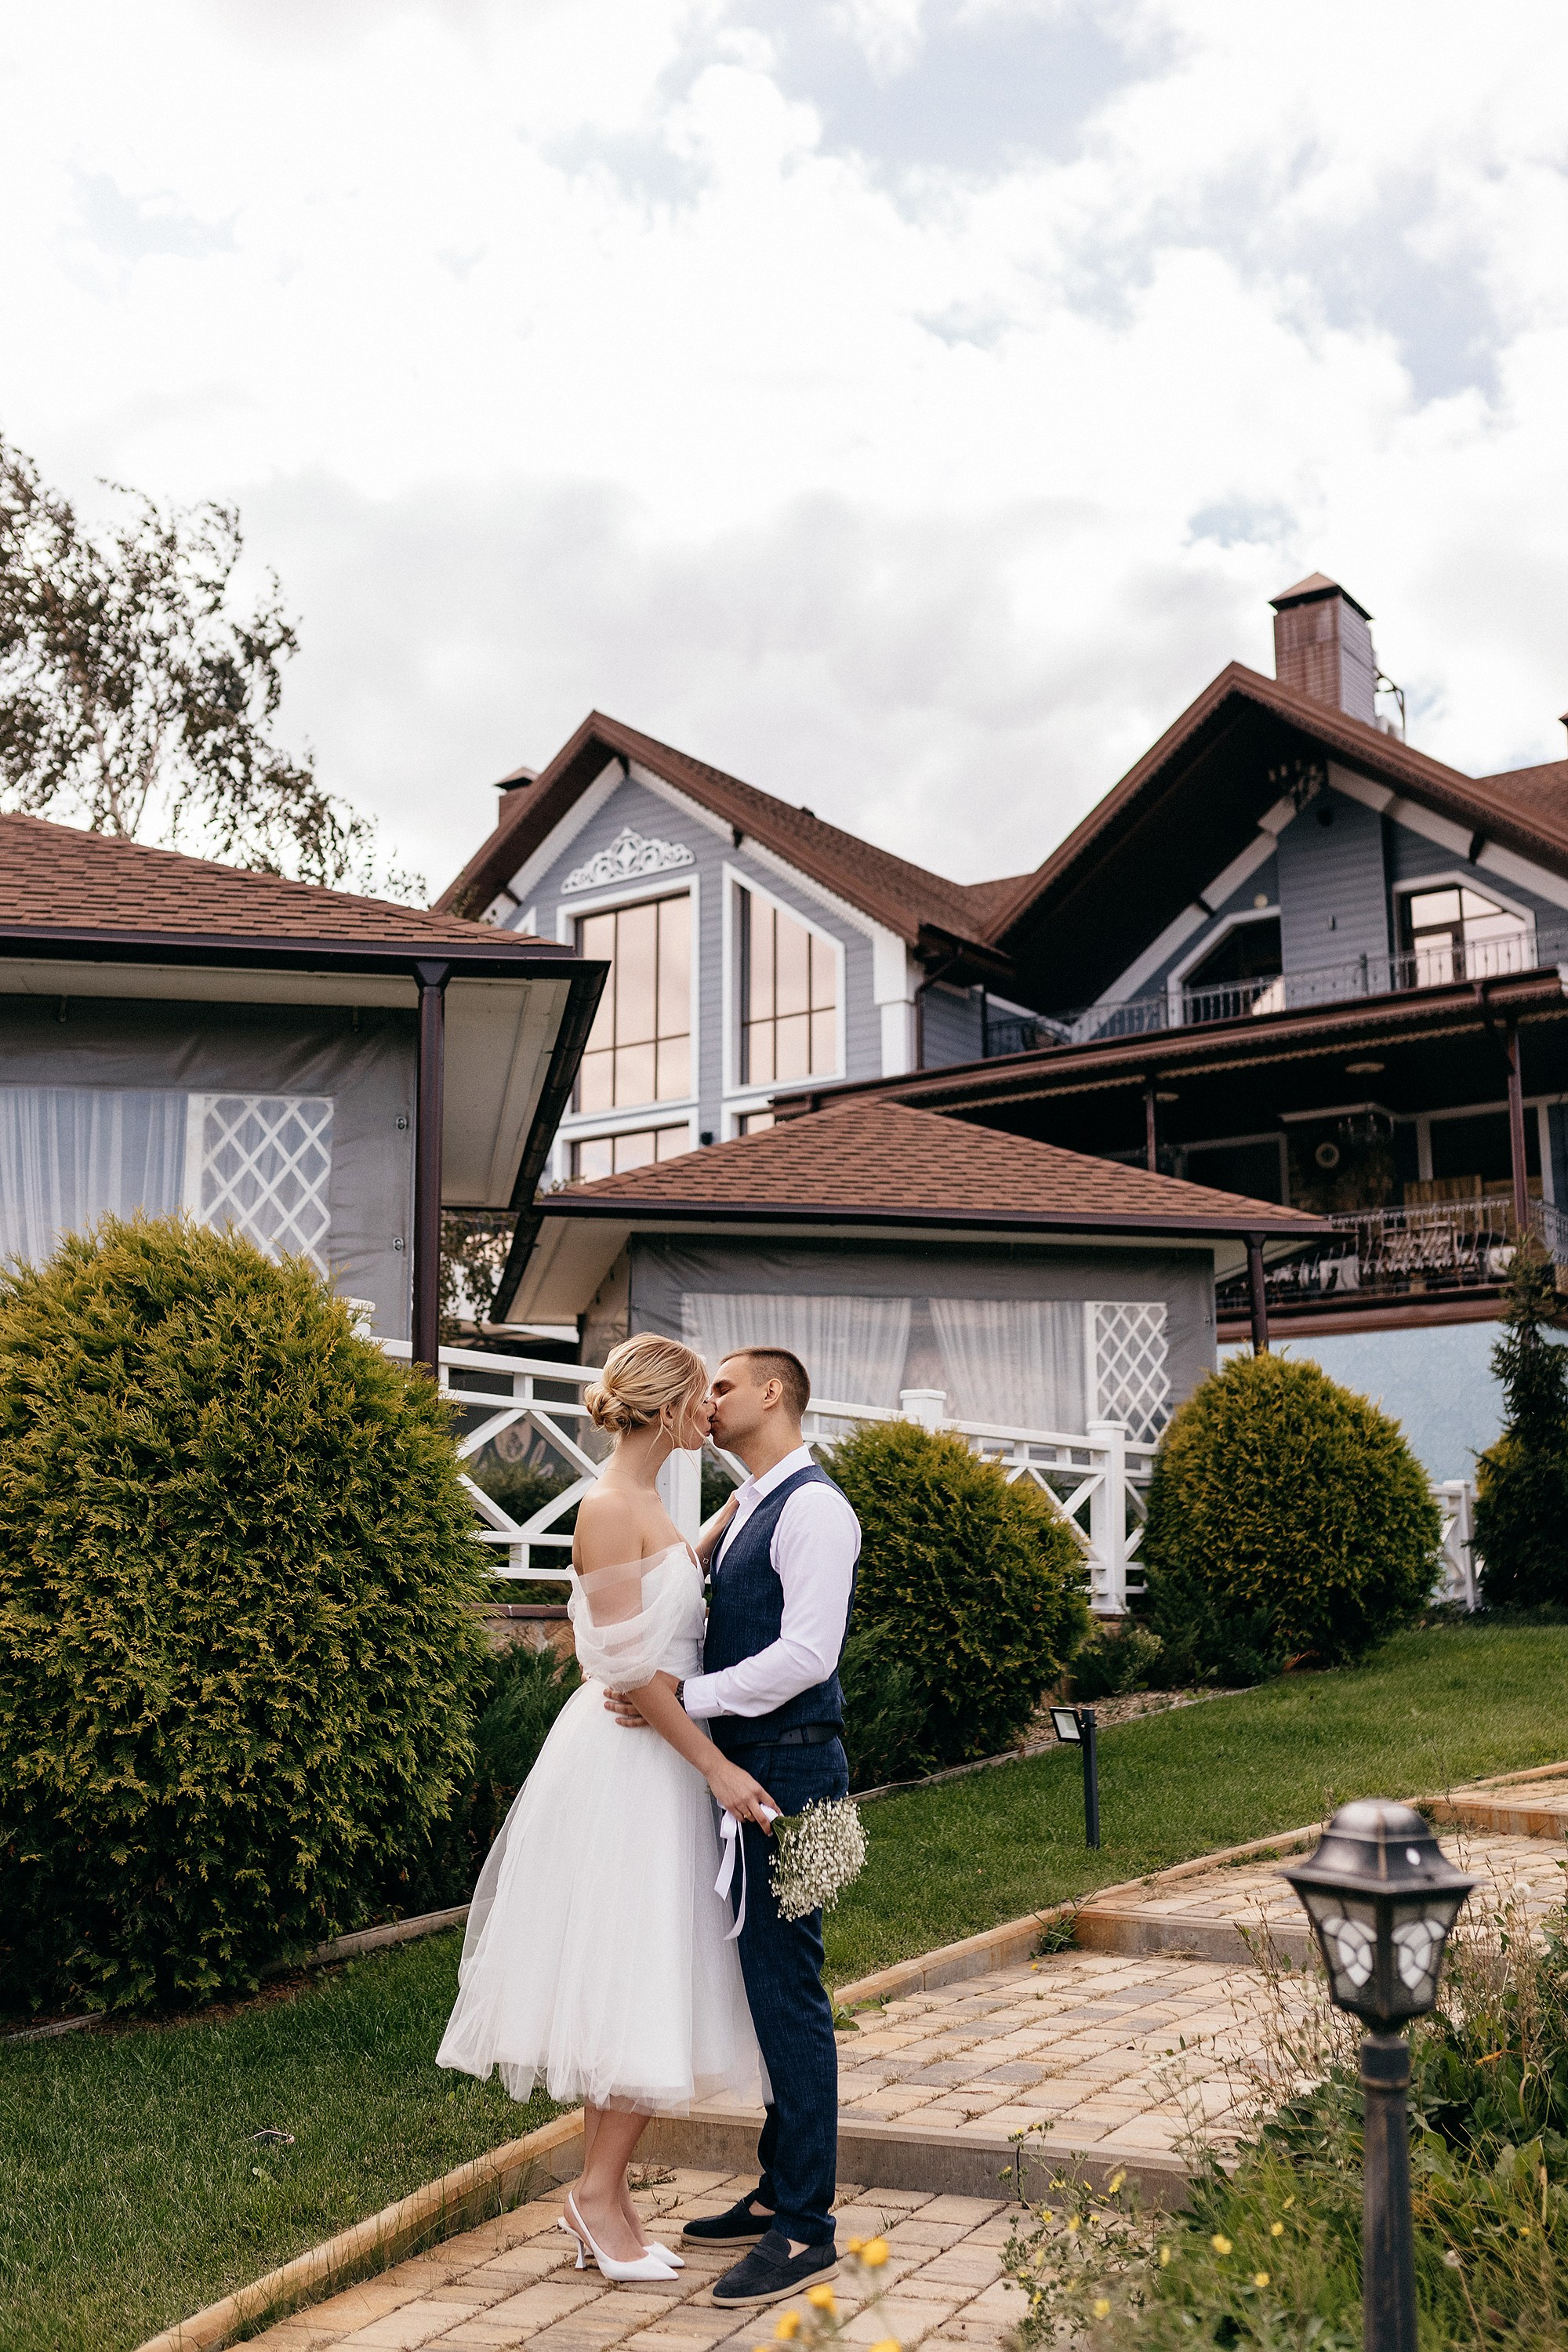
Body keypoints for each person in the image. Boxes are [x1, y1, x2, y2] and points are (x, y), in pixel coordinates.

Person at [436, 1333, 776, 2285]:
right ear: (667, 1411)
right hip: (633, 1764)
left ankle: (604, 2197)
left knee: (638, 1984)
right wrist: (714, 1766)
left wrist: (728, 1521)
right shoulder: (605, 1506)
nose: (711, 1411)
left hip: (654, 1755)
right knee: (638, 1978)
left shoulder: (650, 1506)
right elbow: (626, 1668)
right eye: (700, 1398)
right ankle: (595, 2196)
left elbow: (668, 1586)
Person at [605, 1345, 862, 2312]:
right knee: (768, 1982)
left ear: (772, 1393)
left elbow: (809, 1651)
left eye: (720, 1385)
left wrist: (688, 1698)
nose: (704, 1402)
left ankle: (805, 2227)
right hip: (773, 1767)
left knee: (789, 1990)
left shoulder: (816, 1509)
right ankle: (774, 2190)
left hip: (799, 1776)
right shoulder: (753, 1503)